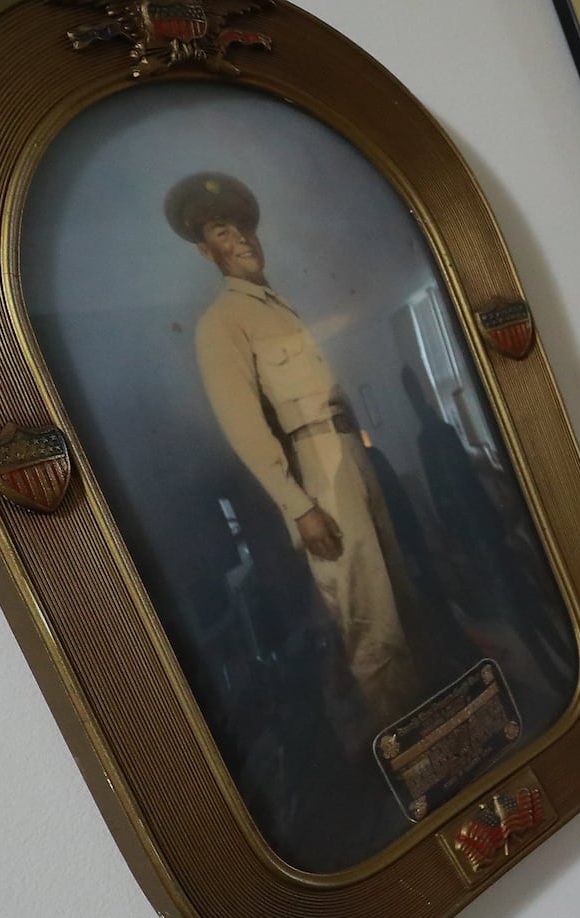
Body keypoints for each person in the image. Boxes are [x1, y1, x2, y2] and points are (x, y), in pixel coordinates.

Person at [165, 171, 418, 737]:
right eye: (226, 232)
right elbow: (245, 427)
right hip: (315, 471)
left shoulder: (280, 308)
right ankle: (410, 749)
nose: (245, 240)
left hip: (350, 452)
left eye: (248, 228)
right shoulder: (222, 323)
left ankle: (437, 727)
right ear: (207, 251)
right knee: (368, 619)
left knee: (398, 595)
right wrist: (299, 507)